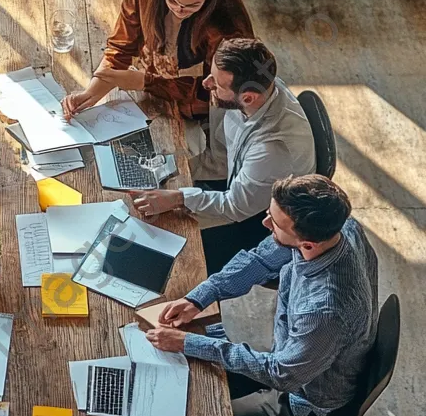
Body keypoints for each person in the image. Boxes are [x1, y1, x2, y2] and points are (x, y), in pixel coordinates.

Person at [146, 175, 379, 416]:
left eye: (275, 223)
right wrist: (200, 297)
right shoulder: (339, 228)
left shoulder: (326, 310)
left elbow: (281, 373)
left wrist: (187, 342)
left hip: (303, 405)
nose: (265, 223)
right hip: (300, 358)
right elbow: (260, 259)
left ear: (307, 245)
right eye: (270, 213)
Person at [128, 38, 317, 273]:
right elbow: (221, 152)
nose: (207, 84)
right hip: (237, 180)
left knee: (163, 261)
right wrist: (171, 167)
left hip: (260, 223)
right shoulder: (259, 87)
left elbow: (235, 207)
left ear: (247, 98)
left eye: (216, 84)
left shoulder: (271, 151)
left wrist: (178, 198)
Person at [61, 0, 254, 151]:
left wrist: (147, 82)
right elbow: (121, 46)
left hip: (199, 112)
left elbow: (214, 90)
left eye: (192, 6)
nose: (180, 10)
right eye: (172, 0)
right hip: (149, 92)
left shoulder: (227, 24)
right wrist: (91, 92)